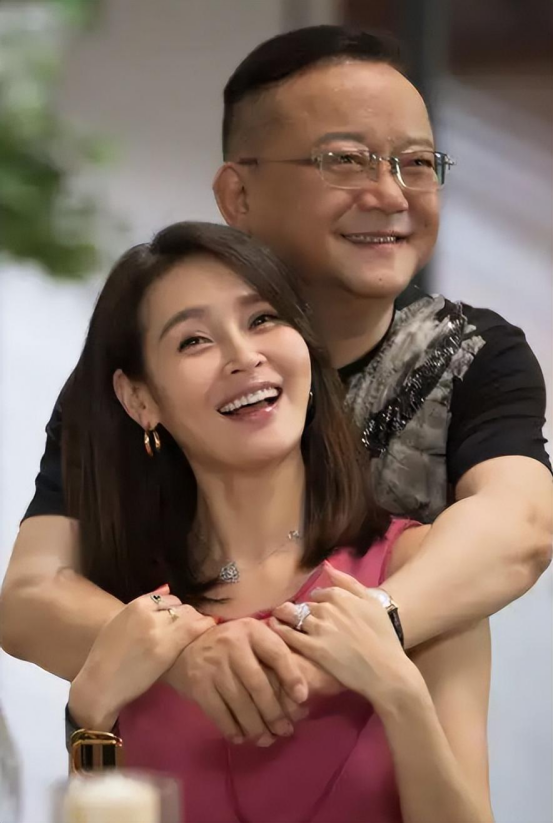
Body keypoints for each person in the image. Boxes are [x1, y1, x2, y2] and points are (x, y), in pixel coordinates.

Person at [0, 26, 551, 745]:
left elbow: (519, 525)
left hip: (390, 761)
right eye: (345, 160)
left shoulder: (470, 354)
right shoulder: (142, 375)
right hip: (174, 761)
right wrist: (194, 657)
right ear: (239, 193)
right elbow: (31, 595)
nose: (390, 193)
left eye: (417, 163)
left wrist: (336, 645)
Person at [64, 220, 493, 822]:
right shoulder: (134, 611)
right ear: (141, 399)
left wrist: (398, 691)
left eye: (263, 319)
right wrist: (87, 713)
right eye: (194, 341)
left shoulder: (421, 572)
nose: (244, 356)